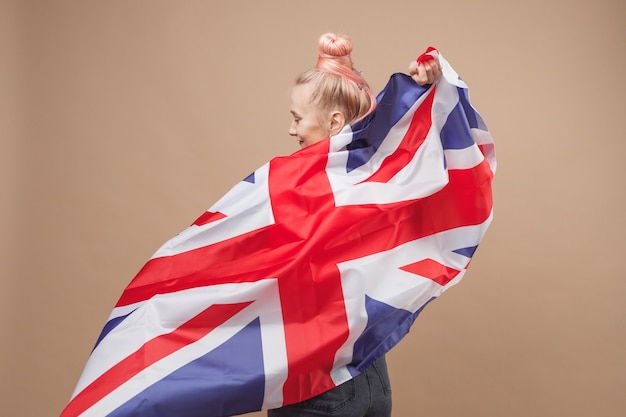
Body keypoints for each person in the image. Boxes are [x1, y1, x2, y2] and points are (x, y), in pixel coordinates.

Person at [267, 32, 442, 417]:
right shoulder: (377, 181)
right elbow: (412, 152)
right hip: (371, 376)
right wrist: (420, 91)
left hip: (317, 385)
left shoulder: (303, 187)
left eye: (297, 119)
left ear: (333, 121)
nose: (292, 131)